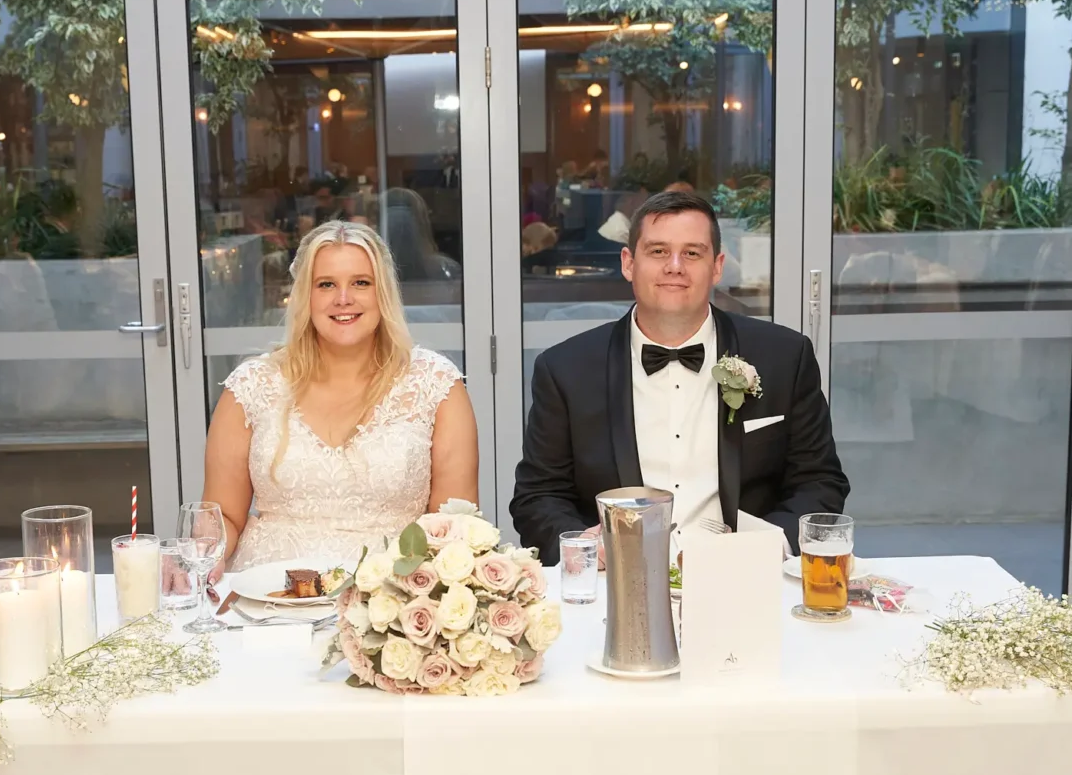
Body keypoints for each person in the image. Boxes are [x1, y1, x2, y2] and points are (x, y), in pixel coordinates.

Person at [510, 190, 849, 564]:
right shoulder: (565, 369)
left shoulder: (785, 357)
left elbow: (819, 482)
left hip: (745, 580)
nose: (675, 266)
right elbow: (537, 497)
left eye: (692, 253)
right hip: (617, 587)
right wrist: (587, 551)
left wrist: (762, 550)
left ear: (717, 266)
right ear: (628, 263)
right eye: (657, 251)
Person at [203, 221, 479, 571]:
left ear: (383, 293)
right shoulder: (251, 386)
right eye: (326, 284)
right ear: (305, 295)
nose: (343, 298)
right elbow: (223, 515)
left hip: (389, 599)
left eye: (361, 283)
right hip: (268, 596)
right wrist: (200, 557)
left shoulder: (436, 385)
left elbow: (454, 526)